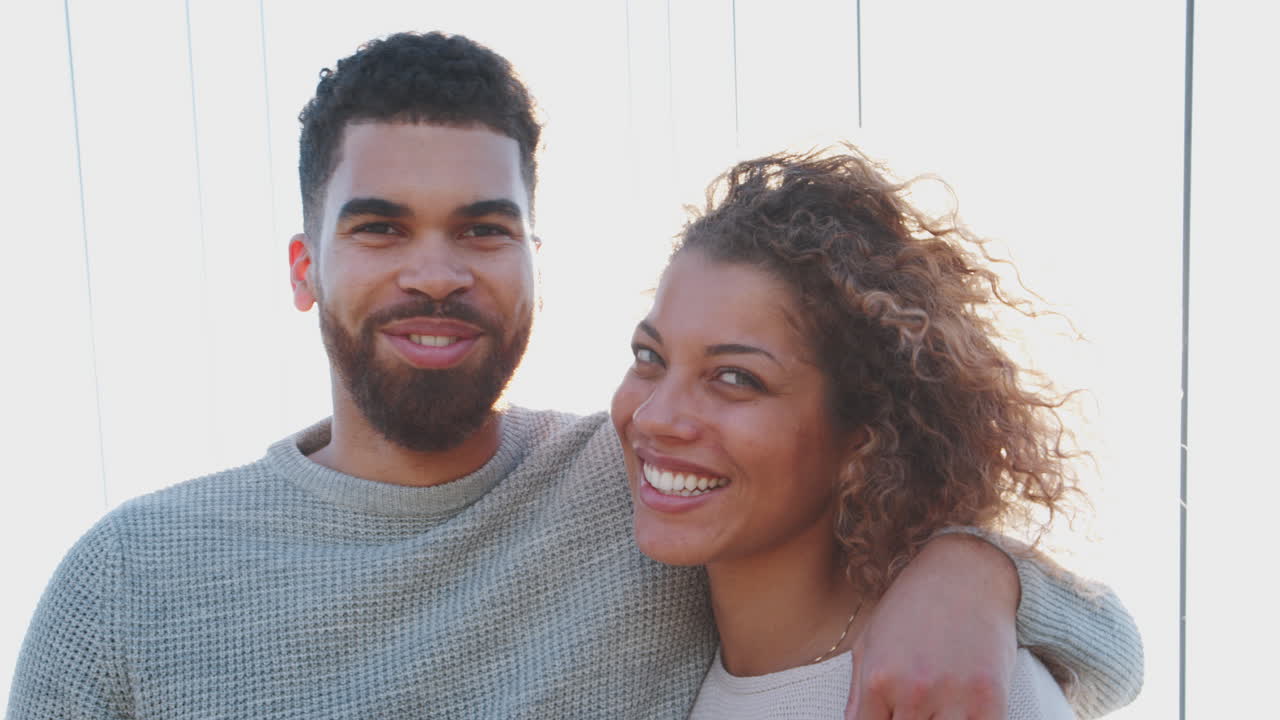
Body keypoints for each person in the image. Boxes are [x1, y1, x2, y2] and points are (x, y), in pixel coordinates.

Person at [7, 33, 1141, 720]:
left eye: (485, 229)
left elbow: (1104, 646)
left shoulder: (634, 482)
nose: (437, 273)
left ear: (534, 263)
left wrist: (970, 571)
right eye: (383, 229)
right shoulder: (128, 584)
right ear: (307, 270)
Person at [611, 146, 1130, 718]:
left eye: (736, 377)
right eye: (649, 356)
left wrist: (980, 568)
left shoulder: (958, 690)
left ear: (863, 431)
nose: (655, 417)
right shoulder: (673, 657)